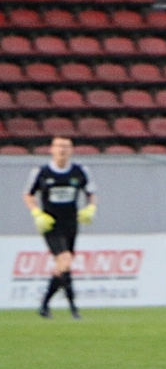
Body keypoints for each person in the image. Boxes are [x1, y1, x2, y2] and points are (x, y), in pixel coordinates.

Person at [24, 136, 95, 319]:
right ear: (51, 149)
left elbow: (91, 193)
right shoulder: (42, 172)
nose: (62, 150)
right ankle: (73, 308)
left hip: (71, 223)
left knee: (62, 266)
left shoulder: (80, 171)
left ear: (71, 150)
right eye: (58, 146)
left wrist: (91, 208)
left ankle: (44, 306)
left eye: (66, 146)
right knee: (65, 259)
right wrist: (36, 213)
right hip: (50, 224)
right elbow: (28, 195)